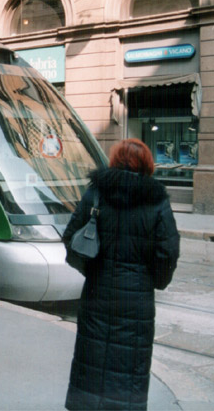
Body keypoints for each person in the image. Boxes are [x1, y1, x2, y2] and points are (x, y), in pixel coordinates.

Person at [62, 138, 180, 411]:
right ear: (147, 165)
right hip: (136, 301)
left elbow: (71, 239)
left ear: (114, 161)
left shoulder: (96, 194)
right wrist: (153, 281)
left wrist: (92, 271)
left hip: (97, 294)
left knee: (92, 361)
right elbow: (168, 253)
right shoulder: (157, 201)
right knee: (129, 367)